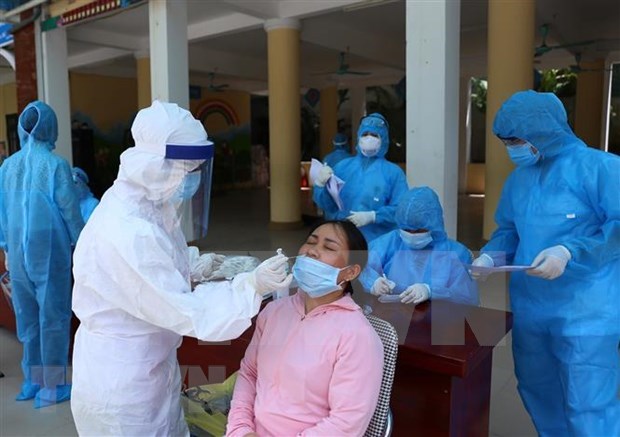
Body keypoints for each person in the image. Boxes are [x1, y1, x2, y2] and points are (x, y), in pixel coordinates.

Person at [70, 101, 293, 436]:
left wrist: (196, 266)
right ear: (156, 166)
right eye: (187, 170)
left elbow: (155, 266)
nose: (192, 180)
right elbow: (188, 312)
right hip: (123, 386)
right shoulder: (126, 230)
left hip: (149, 366)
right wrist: (250, 287)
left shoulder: (146, 204)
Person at [471, 90, 620, 436]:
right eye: (506, 142)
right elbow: (508, 230)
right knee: (538, 389)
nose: (512, 148)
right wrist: (492, 255)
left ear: (544, 132)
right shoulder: (519, 180)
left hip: (587, 310)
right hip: (532, 309)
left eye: (517, 140)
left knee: (589, 402)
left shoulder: (601, 168)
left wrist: (569, 252)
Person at [226, 220, 384, 437]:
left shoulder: (357, 335)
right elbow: (249, 374)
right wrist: (241, 430)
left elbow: (346, 422)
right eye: (311, 242)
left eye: (328, 247)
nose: (312, 251)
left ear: (350, 272)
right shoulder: (274, 311)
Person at [0, 101, 84, 408]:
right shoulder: (57, 165)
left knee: (28, 320)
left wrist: (7, 249)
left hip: (18, 256)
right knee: (53, 319)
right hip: (50, 253)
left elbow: (2, 216)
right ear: (50, 127)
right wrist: (84, 245)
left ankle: (31, 382)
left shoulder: (7, 167)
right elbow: (71, 213)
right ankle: (52, 387)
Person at [360, 187, 478, 306]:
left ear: (434, 224)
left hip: (438, 319)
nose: (412, 235)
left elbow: (466, 296)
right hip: (390, 313)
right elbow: (359, 267)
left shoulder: (457, 254)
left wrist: (430, 291)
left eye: (419, 230)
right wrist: (373, 282)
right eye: (407, 230)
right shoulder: (389, 242)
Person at [313, 113, 409, 242]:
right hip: (343, 239)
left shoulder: (393, 173)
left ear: (384, 139)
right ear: (359, 137)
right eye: (365, 134)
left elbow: (401, 209)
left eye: (375, 135)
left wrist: (373, 216)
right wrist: (320, 185)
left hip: (377, 243)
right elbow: (329, 206)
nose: (369, 138)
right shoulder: (342, 167)